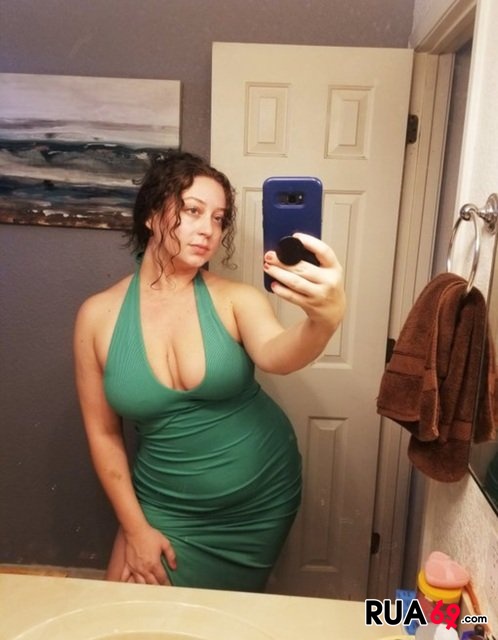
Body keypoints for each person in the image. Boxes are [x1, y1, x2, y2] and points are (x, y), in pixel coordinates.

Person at [73, 150, 346, 592]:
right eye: (192, 211)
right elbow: (103, 435)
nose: (208, 230)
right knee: (120, 610)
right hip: (165, 505)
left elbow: (278, 356)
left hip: (259, 499)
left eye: (218, 219)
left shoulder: (236, 299)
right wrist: (137, 529)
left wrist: (323, 321)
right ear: (151, 215)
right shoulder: (96, 317)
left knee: (220, 619)